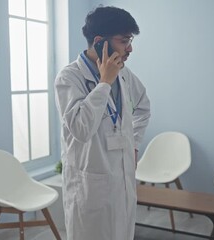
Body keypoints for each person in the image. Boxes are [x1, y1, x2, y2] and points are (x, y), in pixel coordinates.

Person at [54, 5, 151, 240]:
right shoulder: (69, 78)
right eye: (124, 40)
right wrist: (105, 83)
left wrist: (135, 145)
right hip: (90, 186)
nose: (130, 48)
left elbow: (143, 108)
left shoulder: (124, 74)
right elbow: (80, 129)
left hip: (122, 179)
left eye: (130, 40)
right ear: (99, 42)